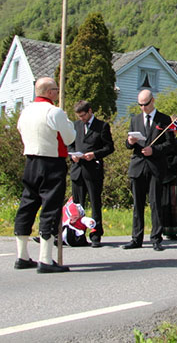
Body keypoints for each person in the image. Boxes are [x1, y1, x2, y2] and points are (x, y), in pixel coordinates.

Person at [13, 77, 76, 273]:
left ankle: (22, 256)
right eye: (56, 90)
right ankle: (46, 259)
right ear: (49, 92)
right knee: (51, 207)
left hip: (31, 160)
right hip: (51, 161)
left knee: (28, 204)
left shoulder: (25, 112)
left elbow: (20, 130)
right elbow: (69, 137)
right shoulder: (54, 111)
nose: (58, 93)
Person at [123, 89, 175, 251]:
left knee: (155, 203)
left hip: (155, 167)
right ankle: (136, 238)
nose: (143, 108)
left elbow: (171, 144)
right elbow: (127, 145)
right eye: (140, 105)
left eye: (145, 104)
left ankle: (156, 238)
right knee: (137, 204)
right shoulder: (135, 120)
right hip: (138, 165)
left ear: (152, 101)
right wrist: (130, 142)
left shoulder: (164, 119)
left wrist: (155, 150)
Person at [68, 100, 114, 248]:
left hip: (93, 170)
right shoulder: (75, 126)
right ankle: (77, 234)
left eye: (83, 115)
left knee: (95, 204)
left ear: (89, 111)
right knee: (77, 206)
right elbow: (70, 144)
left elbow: (109, 147)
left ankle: (95, 234)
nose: (81, 118)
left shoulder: (102, 126)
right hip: (77, 170)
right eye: (79, 116)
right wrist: (72, 155)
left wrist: (95, 154)